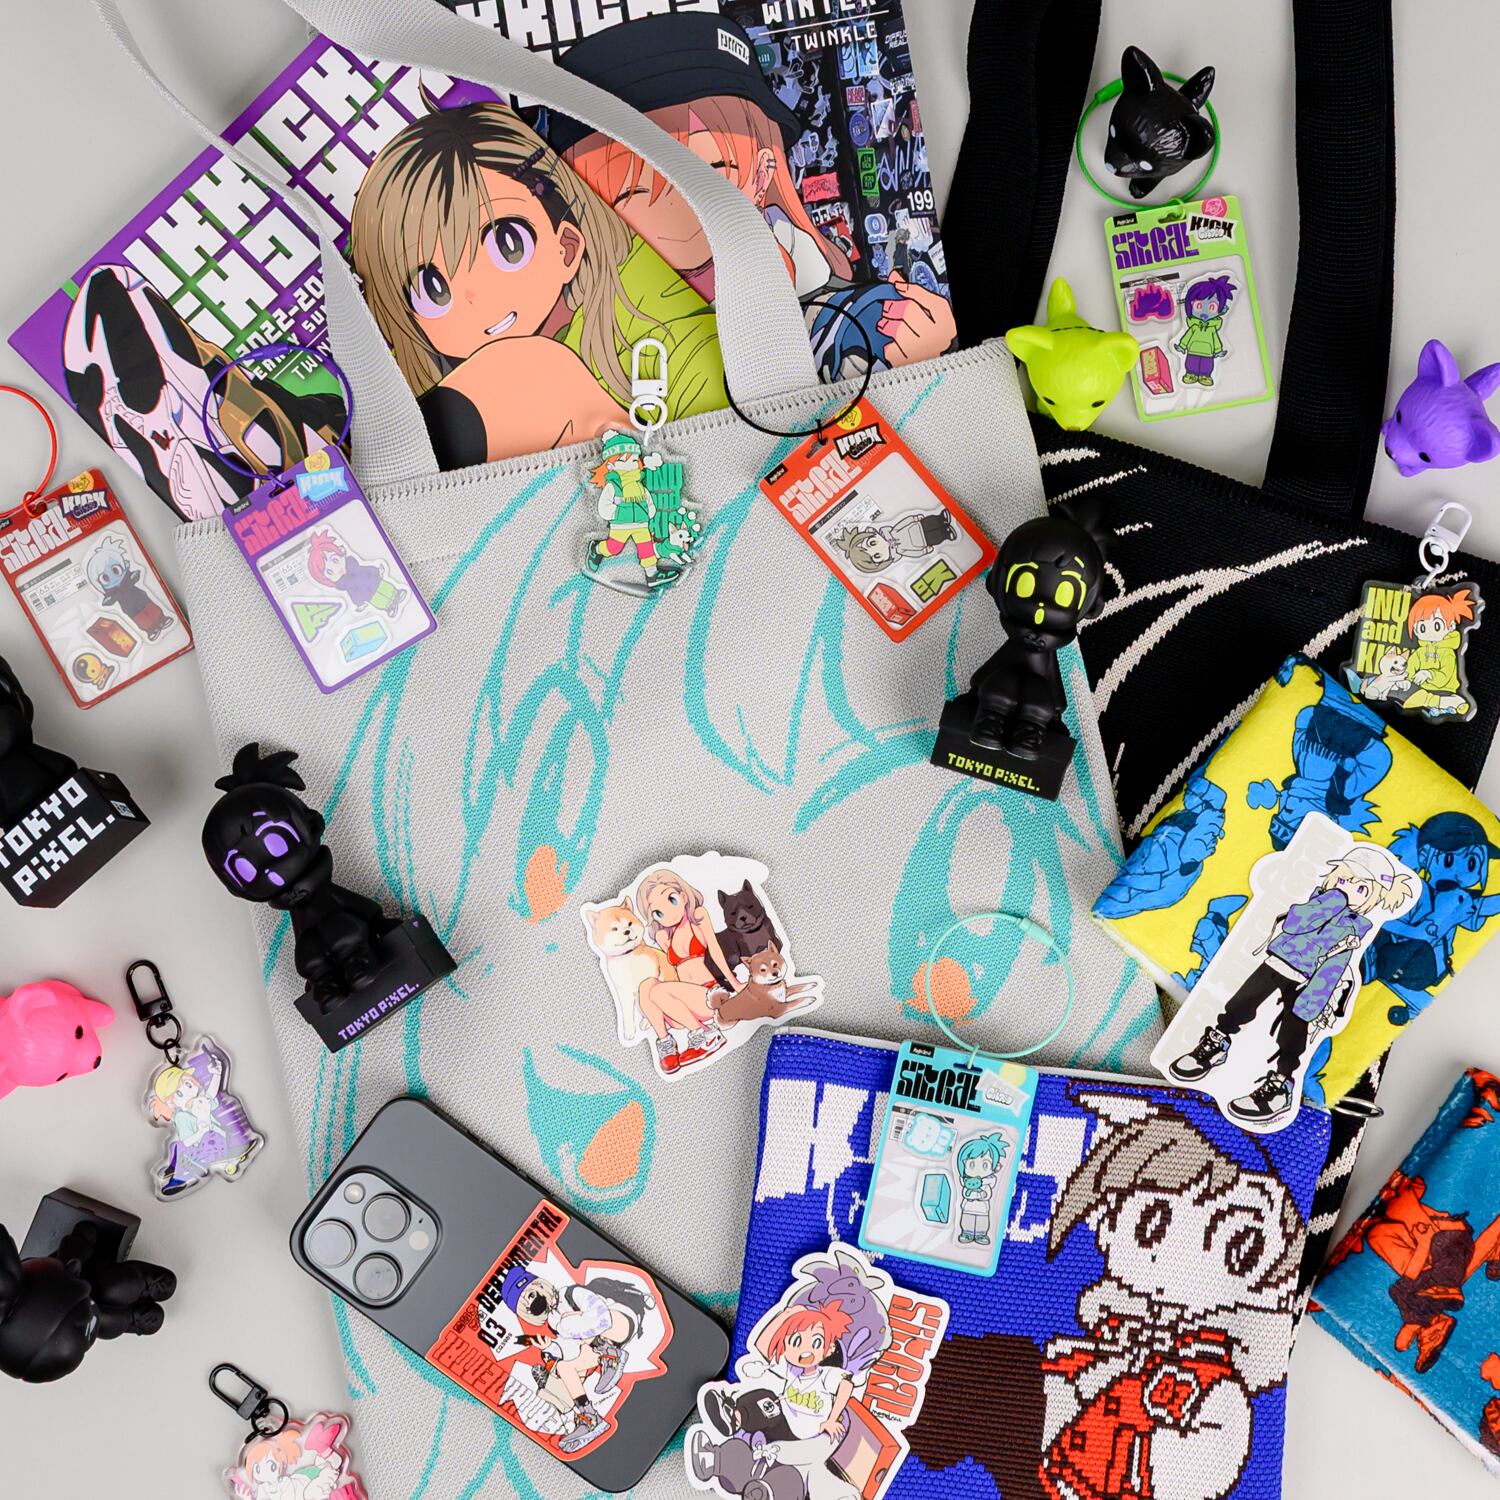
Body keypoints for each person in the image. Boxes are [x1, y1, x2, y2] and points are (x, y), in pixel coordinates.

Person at [549, 13, 957, 381]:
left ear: (762, 173)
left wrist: (910, 343)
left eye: (712, 172)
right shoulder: (577, 328)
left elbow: (847, 327)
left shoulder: (837, 312)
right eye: (633, 190)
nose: (672, 206)